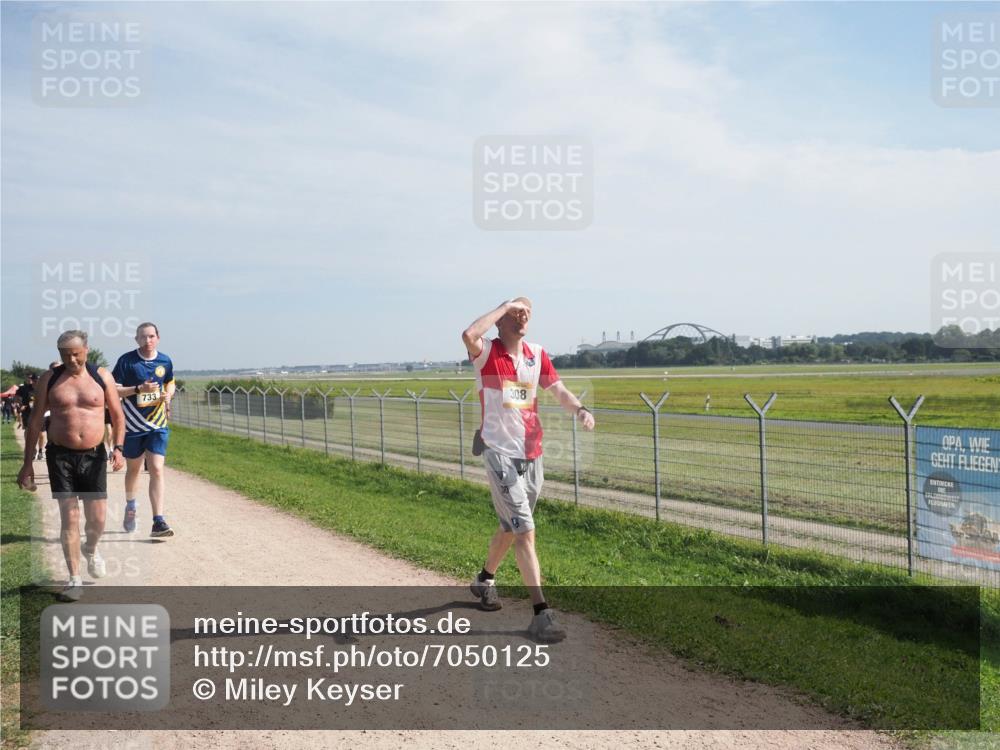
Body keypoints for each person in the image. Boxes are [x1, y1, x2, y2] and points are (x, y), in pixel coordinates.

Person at [461, 297, 595, 643]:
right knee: (525, 531)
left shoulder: (536, 354)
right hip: (499, 453)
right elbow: (468, 332)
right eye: (515, 313)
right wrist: (505, 304)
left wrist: (580, 409)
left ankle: (484, 580)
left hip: (532, 453)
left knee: (511, 526)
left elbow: (558, 389)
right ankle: (541, 614)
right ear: (502, 320)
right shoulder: (487, 353)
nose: (522, 317)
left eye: (527, 313)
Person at [17, 330, 126, 602]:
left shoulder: (102, 377)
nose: (72, 360)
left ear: (86, 350)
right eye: (65, 356)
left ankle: (91, 548)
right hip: (60, 456)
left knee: (98, 519)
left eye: (76, 354)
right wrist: (27, 463)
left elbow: (117, 415)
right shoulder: (50, 379)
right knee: (70, 517)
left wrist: (120, 448)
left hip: (94, 456)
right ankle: (74, 579)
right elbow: (34, 422)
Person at [113, 322, 176, 537]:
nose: (147, 341)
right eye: (143, 337)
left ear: (158, 337)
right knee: (134, 470)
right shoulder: (126, 361)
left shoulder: (165, 360)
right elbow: (114, 390)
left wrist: (169, 394)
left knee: (157, 468)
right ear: (136, 339)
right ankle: (130, 506)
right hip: (133, 426)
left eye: (151, 336)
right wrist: (139, 389)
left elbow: (170, 381)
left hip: (157, 425)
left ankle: (158, 520)